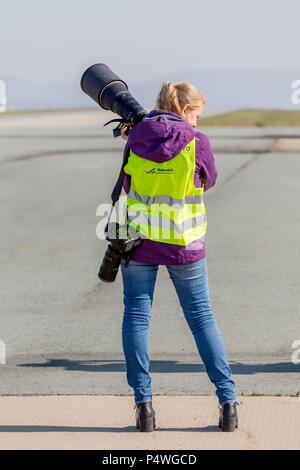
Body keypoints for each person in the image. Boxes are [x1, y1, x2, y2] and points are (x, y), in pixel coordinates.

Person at [119, 81, 238, 432]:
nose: (197, 123)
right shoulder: (196, 141)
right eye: (196, 115)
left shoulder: (137, 135)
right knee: (202, 318)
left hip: (139, 240)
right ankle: (228, 403)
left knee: (137, 317)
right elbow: (209, 179)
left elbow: (128, 185)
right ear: (186, 111)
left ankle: (144, 407)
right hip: (184, 243)